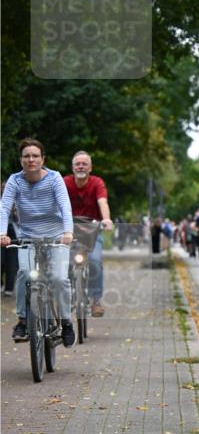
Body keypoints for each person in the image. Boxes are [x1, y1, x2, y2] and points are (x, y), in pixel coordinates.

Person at [0, 138, 76, 347]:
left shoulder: (54, 179)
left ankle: (66, 321)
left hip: (56, 238)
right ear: (21, 160)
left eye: (35, 156)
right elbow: (4, 208)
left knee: (60, 279)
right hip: (28, 238)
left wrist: (68, 232)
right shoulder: (15, 181)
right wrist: (1, 233)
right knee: (25, 274)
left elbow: (65, 207)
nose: (31, 159)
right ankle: (23, 320)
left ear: (43, 159)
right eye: (26, 156)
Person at [63, 151, 114, 317]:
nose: (80, 166)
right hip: (70, 231)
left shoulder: (97, 182)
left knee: (95, 261)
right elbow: (57, 202)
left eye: (84, 163)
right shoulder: (65, 182)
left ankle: (95, 301)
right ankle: (71, 295)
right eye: (77, 163)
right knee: (67, 263)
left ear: (90, 167)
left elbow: (102, 202)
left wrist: (106, 219)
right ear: (72, 167)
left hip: (92, 231)